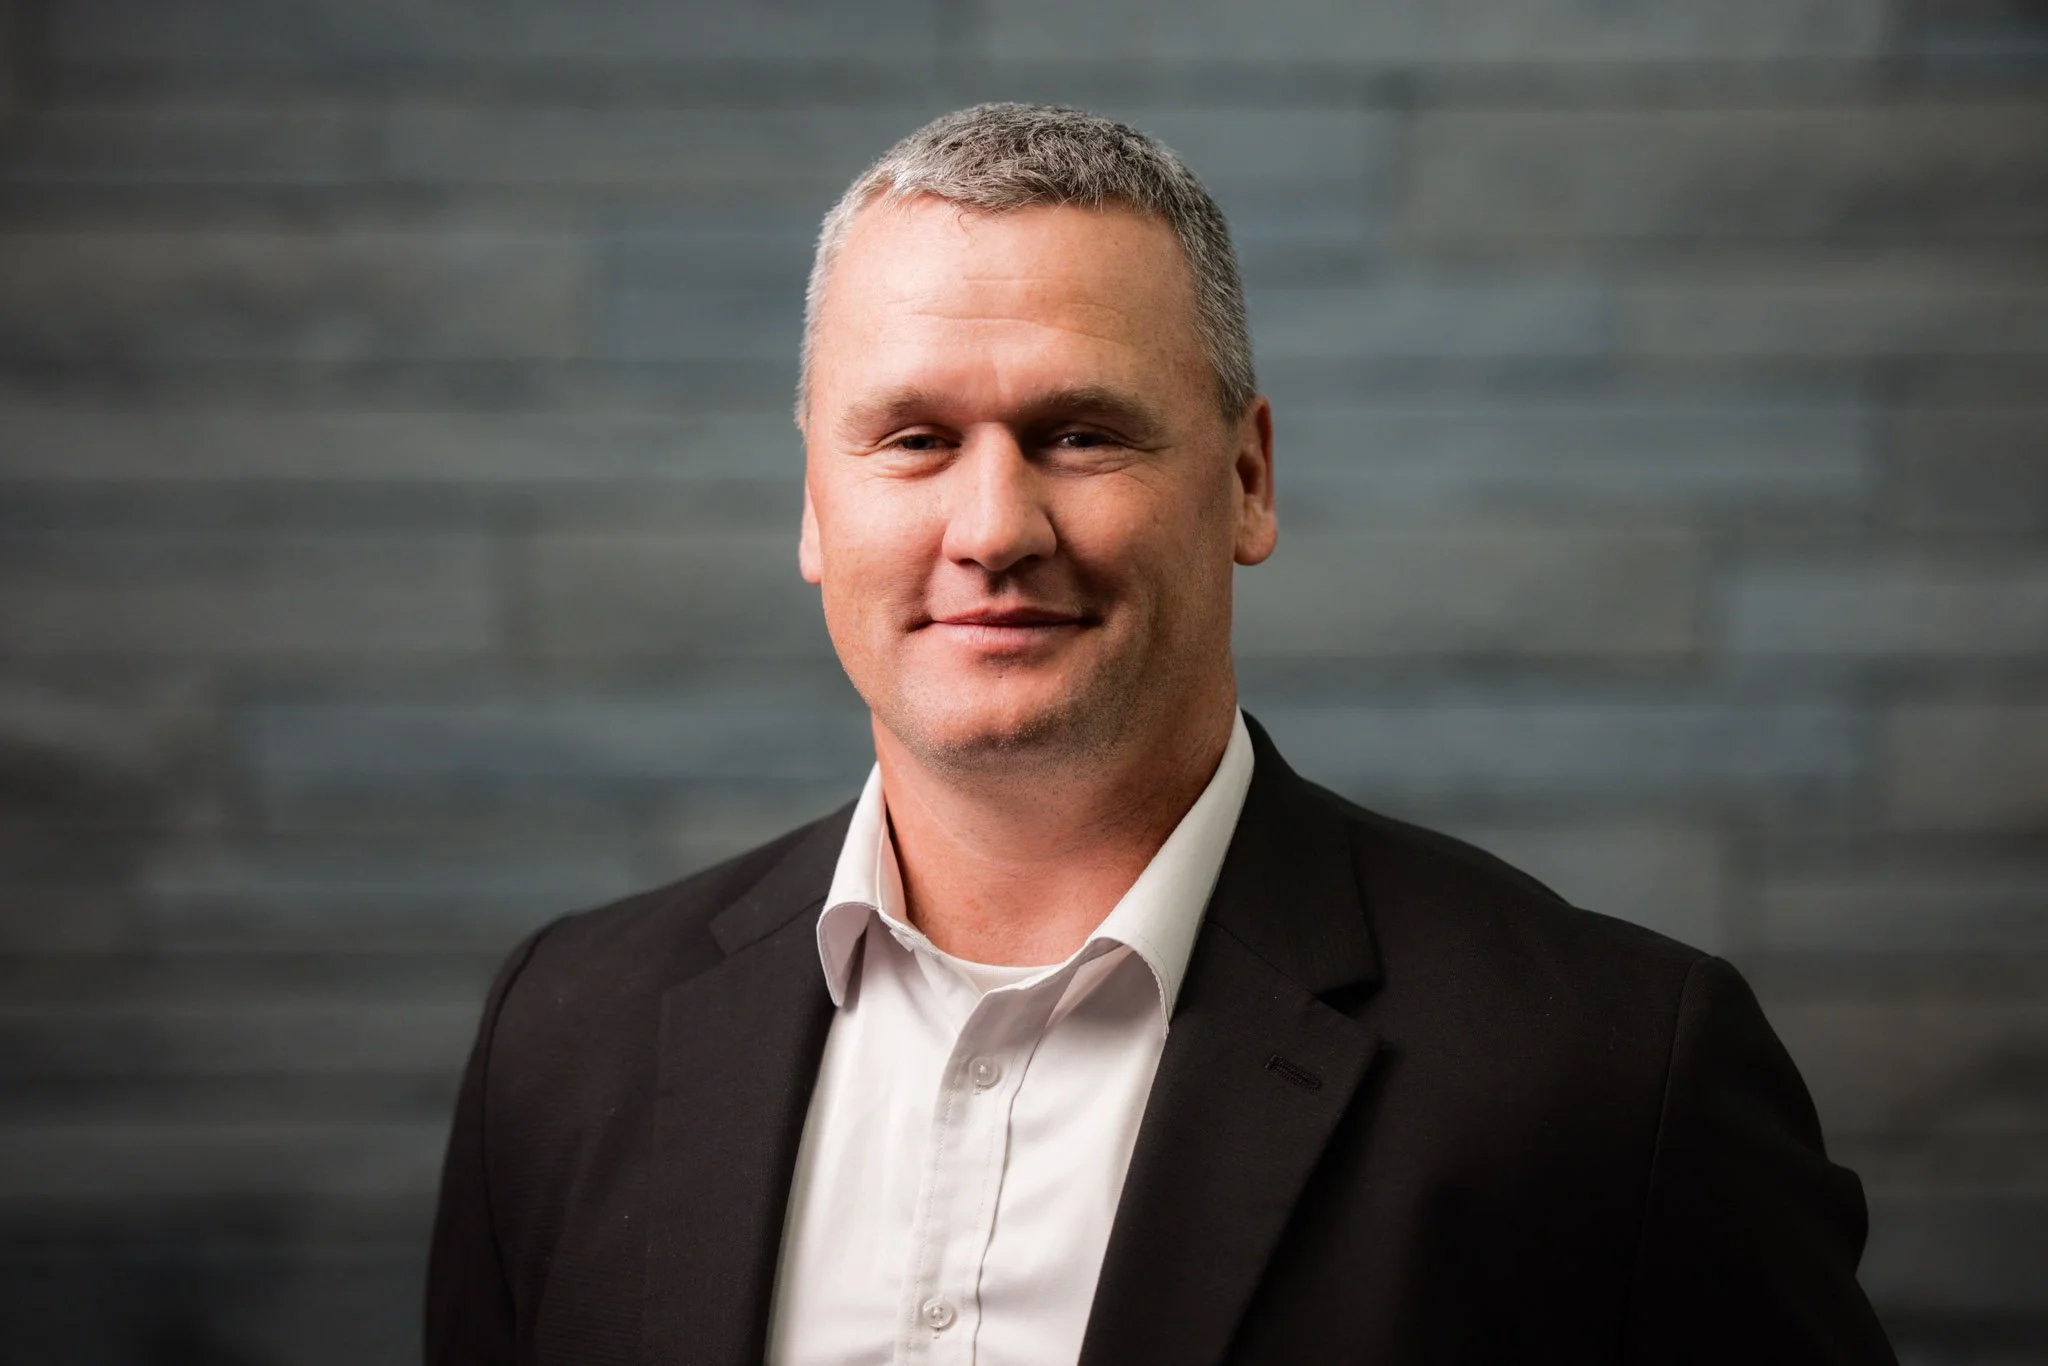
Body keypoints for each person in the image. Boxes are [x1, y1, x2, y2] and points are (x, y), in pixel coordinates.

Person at [425, 103, 1896, 1365]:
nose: (993, 529)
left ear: (1247, 481)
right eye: (915, 440)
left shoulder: (1613, 1078)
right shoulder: (566, 1037)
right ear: (815, 501)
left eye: (1080, 432)